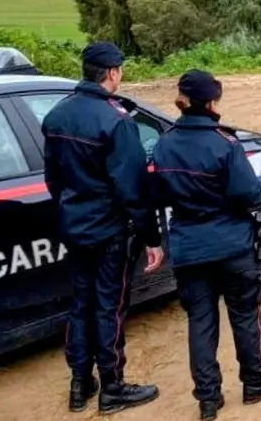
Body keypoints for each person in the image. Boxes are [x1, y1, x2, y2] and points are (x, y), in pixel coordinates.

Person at [151, 69, 261, 420]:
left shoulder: (164, 144)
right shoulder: (225, 144)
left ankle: (208, 399)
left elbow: (157, 194)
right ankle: (255, 382)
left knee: (200, 322)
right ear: (212, 101)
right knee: (245, 315)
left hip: (189, 250)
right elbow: (252, 194)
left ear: (182, 99)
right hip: (233, 247)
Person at [42, 41, 165, 415]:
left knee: (81, 302)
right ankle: (112, 385)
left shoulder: (56, 116)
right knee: (109, 305)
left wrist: (71, 209)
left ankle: (80, 384)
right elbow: (133, 189)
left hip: (75, 227)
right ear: (112, 73)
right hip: (109, 230)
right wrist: (152, 238)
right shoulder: (117, 121)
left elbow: (53, 179)